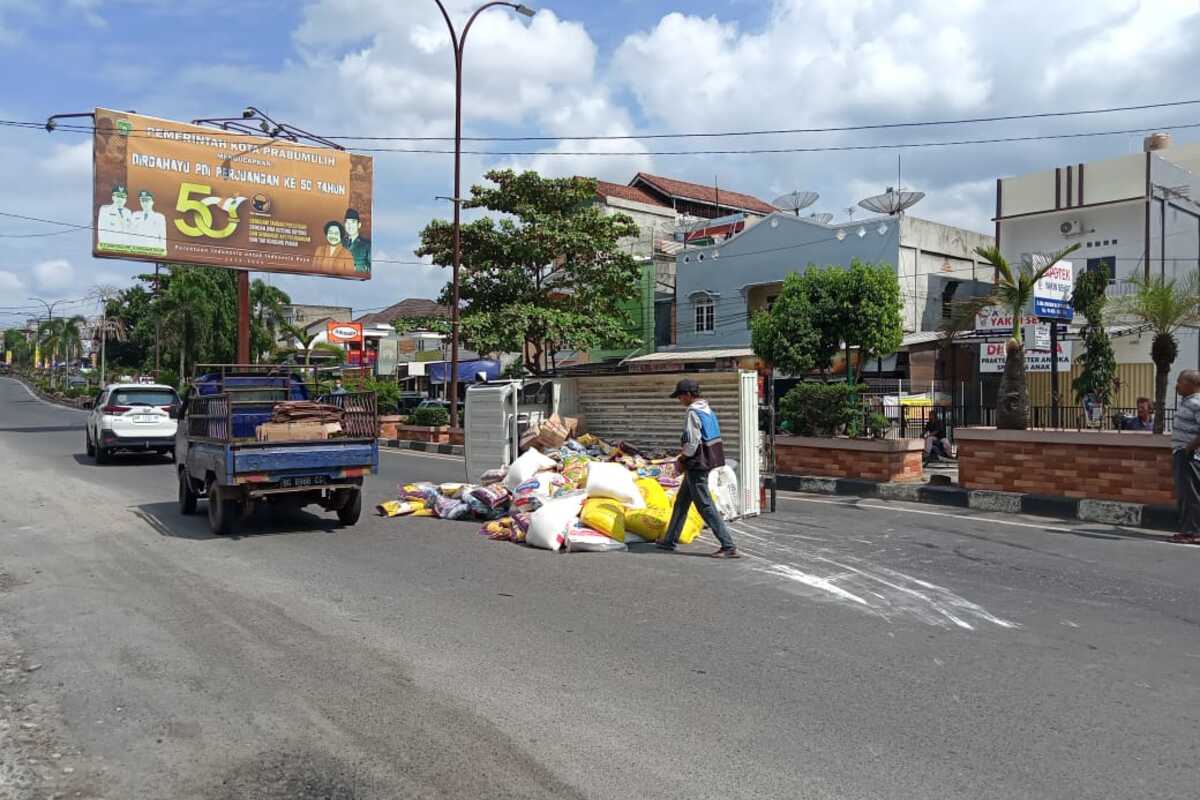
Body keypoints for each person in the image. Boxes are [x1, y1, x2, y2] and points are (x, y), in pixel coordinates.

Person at [657, 379, 739, 558]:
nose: (680, 400)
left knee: (705, 505)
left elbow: (692, 442)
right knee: (681, 502)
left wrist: (682, 458)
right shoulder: (707, 410)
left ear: (687, 395)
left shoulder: (692, 412)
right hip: (707, 460)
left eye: (680, 396)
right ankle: (669, 539)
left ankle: (728, 546)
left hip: (697, 463)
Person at [1171, 371, 1200, 544]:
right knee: (1186, 493)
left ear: (1191, 383)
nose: (1177, 385)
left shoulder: (1196, 403)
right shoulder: (1188, 402)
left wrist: (1189, 449)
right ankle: (1188, 530)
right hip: (1184, 454)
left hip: (1189, 456)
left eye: (1179, 381)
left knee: (1191, 494)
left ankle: (1194, 533)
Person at [129, 189, 167, 255]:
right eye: (142, 200)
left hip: (152, 250)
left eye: (147, 200)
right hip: (136, 250)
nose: (144, 203)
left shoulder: (159, 217)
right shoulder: (135, 214)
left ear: (152, 202)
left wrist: (162, 251)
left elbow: (162, 236)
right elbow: (130, 232)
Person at [96, 183, 132, 249]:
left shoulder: (128, 212)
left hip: (125, 248)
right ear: (113, 197)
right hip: (110, 246)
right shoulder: (105, 209)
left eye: (122, 196)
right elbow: (101, 230)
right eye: (118, 196)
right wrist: (105, 246)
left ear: (126, 199)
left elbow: (130, 231)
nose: (120, 199)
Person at [343, 208, 371, 273]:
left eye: (353, 222)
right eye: (347, 222)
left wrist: (356, 268)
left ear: (359, 225)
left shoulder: (367, 245)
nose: (350, 226)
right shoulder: (341, 243)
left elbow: (371, 267)